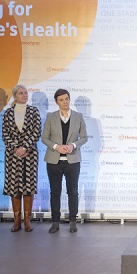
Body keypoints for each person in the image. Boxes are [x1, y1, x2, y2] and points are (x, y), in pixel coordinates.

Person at [42, 89, 88, 233]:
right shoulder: (51, 117)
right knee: (55, 192)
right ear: (56, 102)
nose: (65, 102)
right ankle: (55, 222)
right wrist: (56, 147)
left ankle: (72, 221)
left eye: (67, 98)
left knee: (73, 191)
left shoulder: (78, 116)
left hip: (72, 160)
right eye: (61, 100)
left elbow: (84, 137)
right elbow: (44, 138)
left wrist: (72, 145)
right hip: (54, 160)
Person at [2, 85, 41, 232]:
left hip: (30, 155)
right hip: (12, 156)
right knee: (14, 188)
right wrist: (16, 149)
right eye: (21, 93)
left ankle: (27, 221)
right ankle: (17, 221)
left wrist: (24, 148)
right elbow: (5, 134)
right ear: (15, 96)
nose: (24, 95)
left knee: (28, 188)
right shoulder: (8, 113)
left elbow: (37, 132)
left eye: (25, 93)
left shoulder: (34, 111)